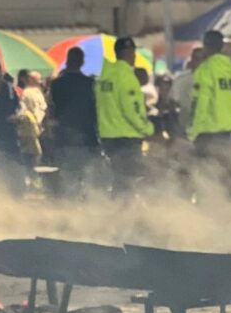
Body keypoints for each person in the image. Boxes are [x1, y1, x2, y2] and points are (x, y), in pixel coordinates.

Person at [95, 37, 153, 195]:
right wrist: (147, 128)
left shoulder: (105, 76)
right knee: (128, 180)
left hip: (108, 135)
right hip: (127, 136)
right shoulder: (127, 76)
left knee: (118, 178)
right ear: (130, 53)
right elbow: (132, 109)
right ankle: (124, 208)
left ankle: (117, 205)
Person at [190, 30, 231, 167]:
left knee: (202, 173)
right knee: (223, 172)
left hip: (207, 131)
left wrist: (192, 131)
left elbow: (200, 103)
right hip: (227, 130)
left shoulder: (205, 70)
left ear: (205, 46)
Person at [49, 46, 99, 185]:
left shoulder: (56, 84)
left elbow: (52, 110)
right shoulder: (89, 84)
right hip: (86, 136)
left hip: (63, 136)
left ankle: (68, 199)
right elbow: (94, 110)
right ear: (82, 62)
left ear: (67, 61)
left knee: (67, 178)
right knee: (88, 178)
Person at [169, 47, 204, 136]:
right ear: (191, 60)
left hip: (206, 129)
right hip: (185, 127)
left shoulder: (213, 80)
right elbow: (172, 103)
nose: (200, 62)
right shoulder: (181, 80)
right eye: (196, 58)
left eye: (202, 59)